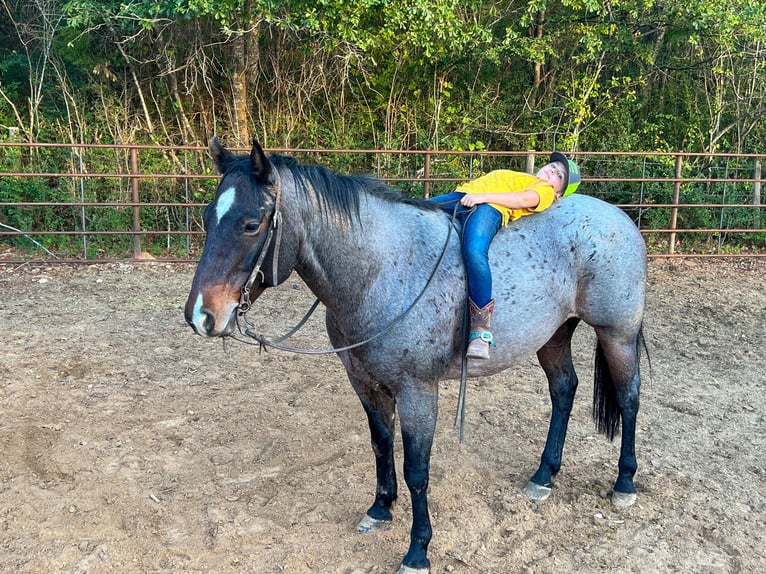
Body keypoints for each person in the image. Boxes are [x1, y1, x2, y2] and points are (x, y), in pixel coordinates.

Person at [430, 152, 581, 359]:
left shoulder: (544, 191)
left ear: (559, 193)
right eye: (553, 165)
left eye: (559, 176)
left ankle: (481, 330)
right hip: (463, 197)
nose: (553, 170)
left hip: (488, 209)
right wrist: (472, 194)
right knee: (413, 210)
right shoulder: (522, 178)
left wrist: (483, 197)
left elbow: (522, 199)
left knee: (474, 251)